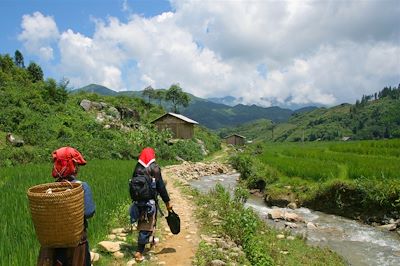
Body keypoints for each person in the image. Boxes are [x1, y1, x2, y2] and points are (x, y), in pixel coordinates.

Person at [37, 147, 95, 266]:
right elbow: (89, 212)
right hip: (76, 244)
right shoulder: (81, 187)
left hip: (52, 245)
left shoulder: (49, 190)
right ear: (74, 167)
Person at [129, 147, 172, 262]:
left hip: (138, 202)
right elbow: (161, 187)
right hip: (150, 202)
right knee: (146, 225)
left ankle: (152, 241)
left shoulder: (137, 168)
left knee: (145, 222)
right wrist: (167, 202)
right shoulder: (155, 168)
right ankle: (139, 251)